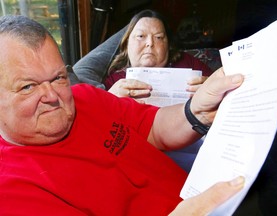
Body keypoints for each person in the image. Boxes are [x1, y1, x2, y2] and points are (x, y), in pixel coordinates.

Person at [0, 15, 245, 215]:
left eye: (58, 78)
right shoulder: (9, 191)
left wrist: (196, 111)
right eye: (28, 87)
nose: (53, 95)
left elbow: (154, 128)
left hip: (210, 197)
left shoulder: (86, 96)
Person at [104, 9, 214, 98]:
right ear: (127, 44)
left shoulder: (189, 64)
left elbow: (221, 89)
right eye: (141, 36)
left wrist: (211, 90)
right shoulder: (115, 81)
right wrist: (109, 99)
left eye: (158, 37)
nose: (150, 43)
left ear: (168, 45)